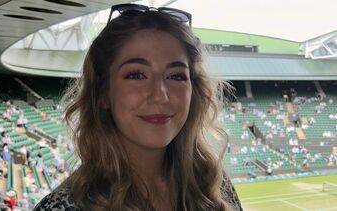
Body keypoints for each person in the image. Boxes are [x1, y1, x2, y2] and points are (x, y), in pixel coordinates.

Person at [34, 3, 242, 211]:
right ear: (103, 92)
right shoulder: (62, 207)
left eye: (176, 76)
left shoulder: (213, 187)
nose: (160, 95)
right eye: (136, 75)